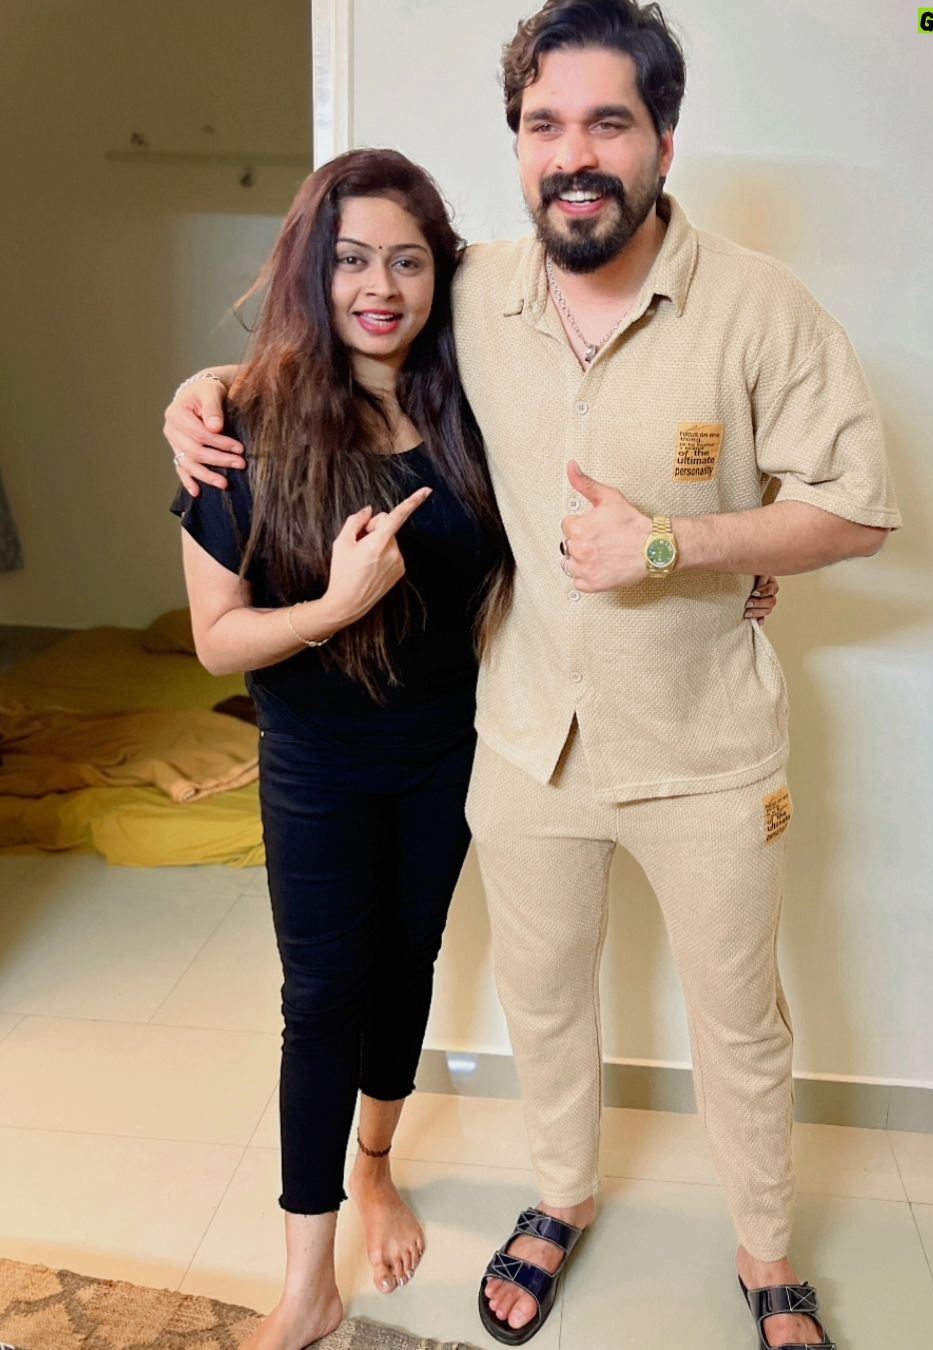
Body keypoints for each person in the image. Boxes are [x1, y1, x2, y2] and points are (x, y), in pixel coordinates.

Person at [164, 2, 893, 1345]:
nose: (575, 153)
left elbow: (854, 509)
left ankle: (768, 1253)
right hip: (523, 742)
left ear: (664, 138)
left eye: (609, 121)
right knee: (544, 1006)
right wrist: (206, 390)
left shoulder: (761, 308)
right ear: (516, 146)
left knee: (742, 1019)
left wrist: (680, 542)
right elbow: (340, 326)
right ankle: (560, 1197)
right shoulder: (474, 296)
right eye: (545, 124)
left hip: (704, 746)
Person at [171, 147, 517, 1350]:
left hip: (446, 748)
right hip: (315, 760)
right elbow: (216, 640)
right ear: (311, 271)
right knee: (321, 998)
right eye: (354, 259)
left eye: (409, 261)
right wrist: (333, 606)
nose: (381, 287)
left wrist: (722, 575)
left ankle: (377, 1165)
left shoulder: (473, 405)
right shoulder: (240, 428)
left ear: (440, 276)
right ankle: (308, 1281)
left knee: (407, 962)